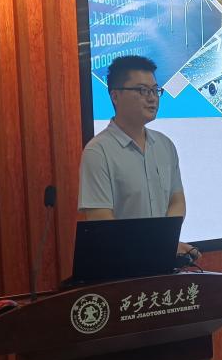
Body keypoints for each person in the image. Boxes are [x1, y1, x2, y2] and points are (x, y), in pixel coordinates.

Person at [78, 55, 200, 261]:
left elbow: (176, 200)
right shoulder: (98, 152)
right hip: (121, 266)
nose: (152, 98)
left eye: (155, 90)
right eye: (142, 90)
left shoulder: (165, 145)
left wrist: (165, 243)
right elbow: (101, 222)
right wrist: (155, 248)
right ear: (115, 96)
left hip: (161, 263)